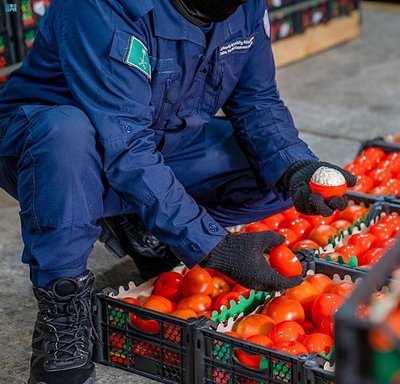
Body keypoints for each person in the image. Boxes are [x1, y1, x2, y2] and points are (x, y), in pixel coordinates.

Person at [0, 0, 356, 382]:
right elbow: (125, 143)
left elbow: (257, 101)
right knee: (64, 132)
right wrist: (213, 247)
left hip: (156, 140)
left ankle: (141, 225)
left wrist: (297, 168)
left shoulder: (244, 6)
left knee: (273, 174)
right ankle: (62, 302)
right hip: (55, 151)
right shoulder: (103, 6)